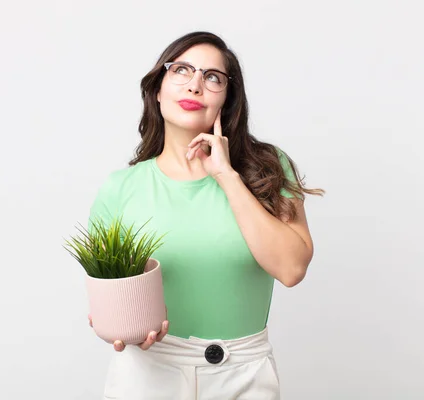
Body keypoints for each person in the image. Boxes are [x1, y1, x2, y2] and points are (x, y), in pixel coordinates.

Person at [87, 31, 324, 400]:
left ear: (227, 100)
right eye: (181, 70)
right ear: (157, 89)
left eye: (213, 77)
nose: (195, 85)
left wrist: (227, 177)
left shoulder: (268, 169)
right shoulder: (121, 188)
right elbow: (109, 295)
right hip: (147, 375)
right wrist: (116, 325)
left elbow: (292, 269)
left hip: (244, 376)